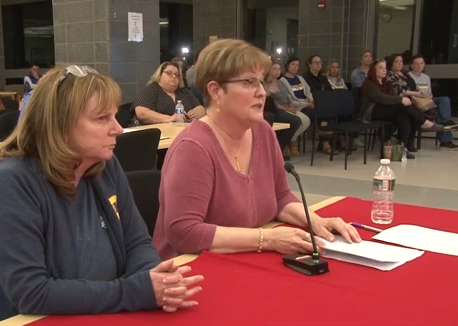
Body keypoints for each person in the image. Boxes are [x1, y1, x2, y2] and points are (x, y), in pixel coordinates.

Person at [0, 66, 204, 326]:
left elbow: (136, 243)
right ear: (59, 124)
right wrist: (136, 292)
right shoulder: (10, 183)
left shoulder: (103, 166)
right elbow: (31, 293)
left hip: (95, 313)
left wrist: (156, 279)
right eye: (101, 118)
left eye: (114, 116)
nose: (117, 128)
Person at [152, 39, 361, 260]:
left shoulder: (262, 131)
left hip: (245, 257)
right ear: (215, 91)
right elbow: (185, 234)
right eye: (249, 82)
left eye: (261, 82)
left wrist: (318, 221)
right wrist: (267, 239)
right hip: (191, 269)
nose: (262, 92)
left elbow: (281, 198)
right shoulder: (193, 147)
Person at [359, 60, 444, 159]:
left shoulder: (386, 82)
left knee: (403, 116)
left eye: (385, 68)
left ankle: (403, 148)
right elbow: (380, 97)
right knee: (401, 105)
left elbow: (392, 96)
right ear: (374, 70)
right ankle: (424, 122)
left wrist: (402, 99)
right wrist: (401, 99)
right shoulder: (368, 83)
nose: (384, 70)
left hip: (385, 109)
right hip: (371, 111)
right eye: (381, 68)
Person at [408, 55, 458, 150]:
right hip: (416, 101)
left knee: (444, 100)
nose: (419, 66)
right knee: (440, 113)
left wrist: (429, 98)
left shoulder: (426, 77)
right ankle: (446, 137)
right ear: (411, 65)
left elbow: (429, 92)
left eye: (421, 63)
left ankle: (446, 124)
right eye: (416, 64)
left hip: (427, 99)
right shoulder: (408, 76)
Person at [130, 62, 205, 126]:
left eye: (176, 74)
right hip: (155, 133)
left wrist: (195, 114)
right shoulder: (151, 90)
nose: (173, 76)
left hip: (182, 131)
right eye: (169, 73)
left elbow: (201, 109)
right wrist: (170, 118)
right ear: (159, 75)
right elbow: (142, 113)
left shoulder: (184, 92)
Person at [264, 61, 304, 158]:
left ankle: (278, 149)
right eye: (274, 69)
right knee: (269, 117)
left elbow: (286, 96)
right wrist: (268, 92)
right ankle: (269, 153)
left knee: (296, 121)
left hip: (274, 110)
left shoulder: (280, 82)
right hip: (267, 110)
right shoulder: (263, 82)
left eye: (278, 69)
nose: (277, 71)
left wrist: (290, 105)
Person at [278, 56, 316, 156]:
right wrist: (306, 104)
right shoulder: (283, 81)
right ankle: (292, 141)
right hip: (295, 105)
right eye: (293, 65)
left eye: (297, 65)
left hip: (306, 103)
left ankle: (291, 139)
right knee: (303, 120)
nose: (295, 67)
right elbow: (290, 99)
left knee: (307, 120)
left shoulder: (300, 78)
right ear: (287, 66)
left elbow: (308, 91)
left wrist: (311, 100)